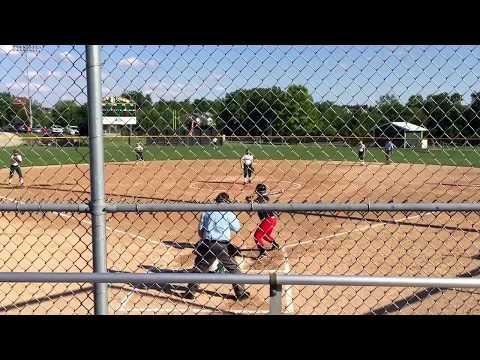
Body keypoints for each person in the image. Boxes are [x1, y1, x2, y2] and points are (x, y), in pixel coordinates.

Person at [183, 192, 250, 301]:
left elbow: (200, 231)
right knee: (233, 268)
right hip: (222, 245)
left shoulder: (207, 211)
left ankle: (190, 291)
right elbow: (237, 228)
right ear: (227, 202)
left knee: (200, 267)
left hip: (207, 243)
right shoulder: (228, 213)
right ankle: (240, 293)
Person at [246, 183, 281, 260]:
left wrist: (248, 200)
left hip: (267, 220)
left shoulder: (259, 199)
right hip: (273, 219)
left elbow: (251, 209)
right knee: (265, 235)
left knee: (257, 236)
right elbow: (256, 201)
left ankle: (262, 252)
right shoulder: (265, 198)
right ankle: (275, 245)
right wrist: (251, 200)